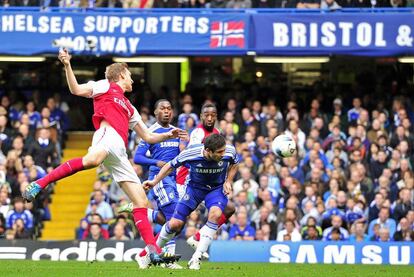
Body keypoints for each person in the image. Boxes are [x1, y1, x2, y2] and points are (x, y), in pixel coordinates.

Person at [22, 49, 186, 266]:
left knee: (141, 202)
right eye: (129, 75)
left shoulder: (130, 107)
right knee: (91, 161)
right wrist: (67, 65)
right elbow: (77, 89)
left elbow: (147, 136)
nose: (132, 80)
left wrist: (168, 133)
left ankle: (152, 250)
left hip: (120, 151)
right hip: (107, 135)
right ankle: (39, 183)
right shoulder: (104, 86)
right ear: (120, 76)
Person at [144, 134, 239, 270]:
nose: (223, 154)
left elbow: (235, 163)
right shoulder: (191, 153)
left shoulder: (229, 151)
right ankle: (152, 252)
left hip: (216, 189)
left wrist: (228, 180)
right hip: (194, 189)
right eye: (219, 152)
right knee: (175, 224)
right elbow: (170, 166)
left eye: (223, 151)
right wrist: (154, 181)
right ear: (207, 151)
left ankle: (196, 258)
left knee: (216, 214)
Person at [130, 99, 187, 269]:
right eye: (162, 109)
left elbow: (182, 155)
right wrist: (157, 163)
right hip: (160, 180)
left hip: (174, 179)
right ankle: (168, 261)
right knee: (175, 216)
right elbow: (137, 157)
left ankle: (144, 254)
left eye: (169, 108)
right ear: (156, 113)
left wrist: (187, 143)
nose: (167, 111)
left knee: (168, 220)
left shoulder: (176, 132)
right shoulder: (150, 132)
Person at [177, 103, 237, 257]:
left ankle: (197, 238)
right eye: (207, 115)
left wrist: (226, 180)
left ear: (216, 117)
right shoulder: (197, 133)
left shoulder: (217, 133)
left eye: (213, 115)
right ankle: (155, 248)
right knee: (174, 220)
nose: (210, 118)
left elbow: (222, 161)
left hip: (206, 182)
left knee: (228, 209)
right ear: (201, 116)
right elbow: (197, 158)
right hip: (187, 180)